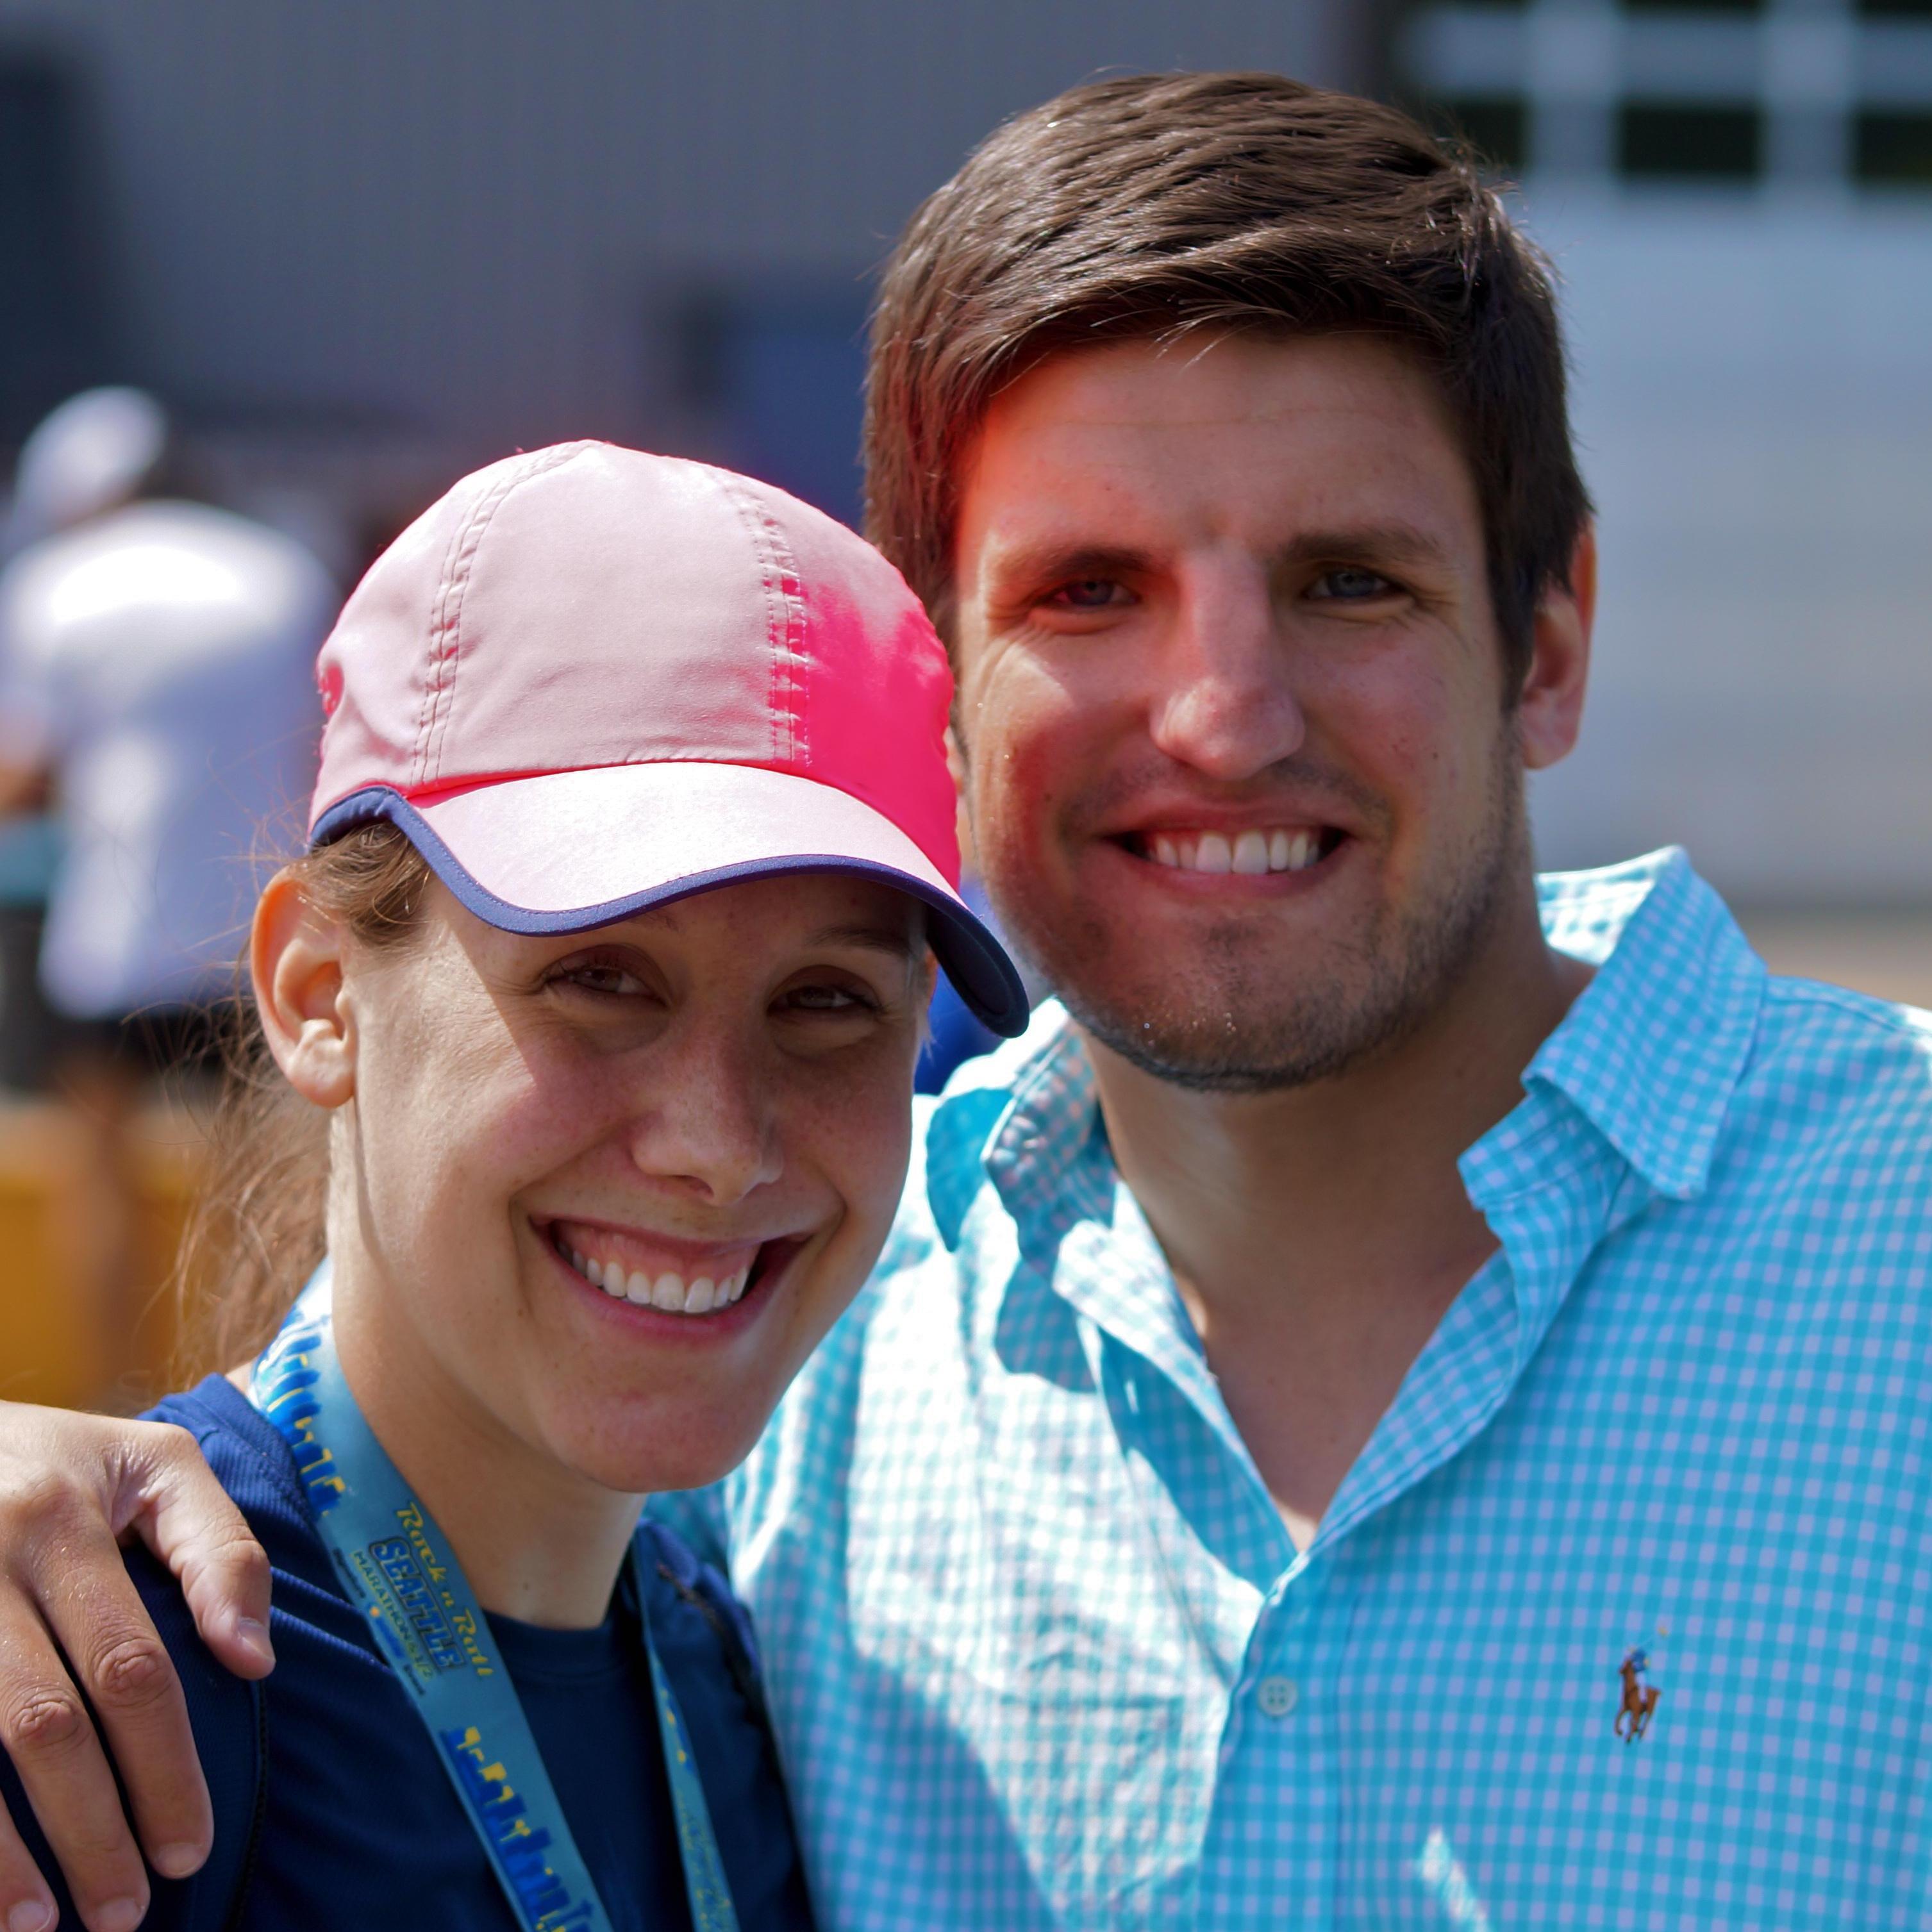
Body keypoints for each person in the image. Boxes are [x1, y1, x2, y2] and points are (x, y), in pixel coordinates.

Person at [3, 71, 1931, 1931]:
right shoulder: (792, 1359)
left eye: (1346, 580)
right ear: (948, 689)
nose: (1221, 715)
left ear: (1551, 638)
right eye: (1090, 590)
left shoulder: (1891, 1246)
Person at [0, 438, 1024, 1931]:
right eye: (601, 978)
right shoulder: (106, 1702)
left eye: (827, 1004)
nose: (718, 1140)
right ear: (316, 991)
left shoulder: (742, 1686)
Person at [0, 389, 335, 1394]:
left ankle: (110, 1399)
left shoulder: (55, 583)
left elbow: (24, 780)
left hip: (115, 939)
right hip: (259, 934)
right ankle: (267, 1407)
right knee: (270, 1189)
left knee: (95, 1174)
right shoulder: (281, 573)